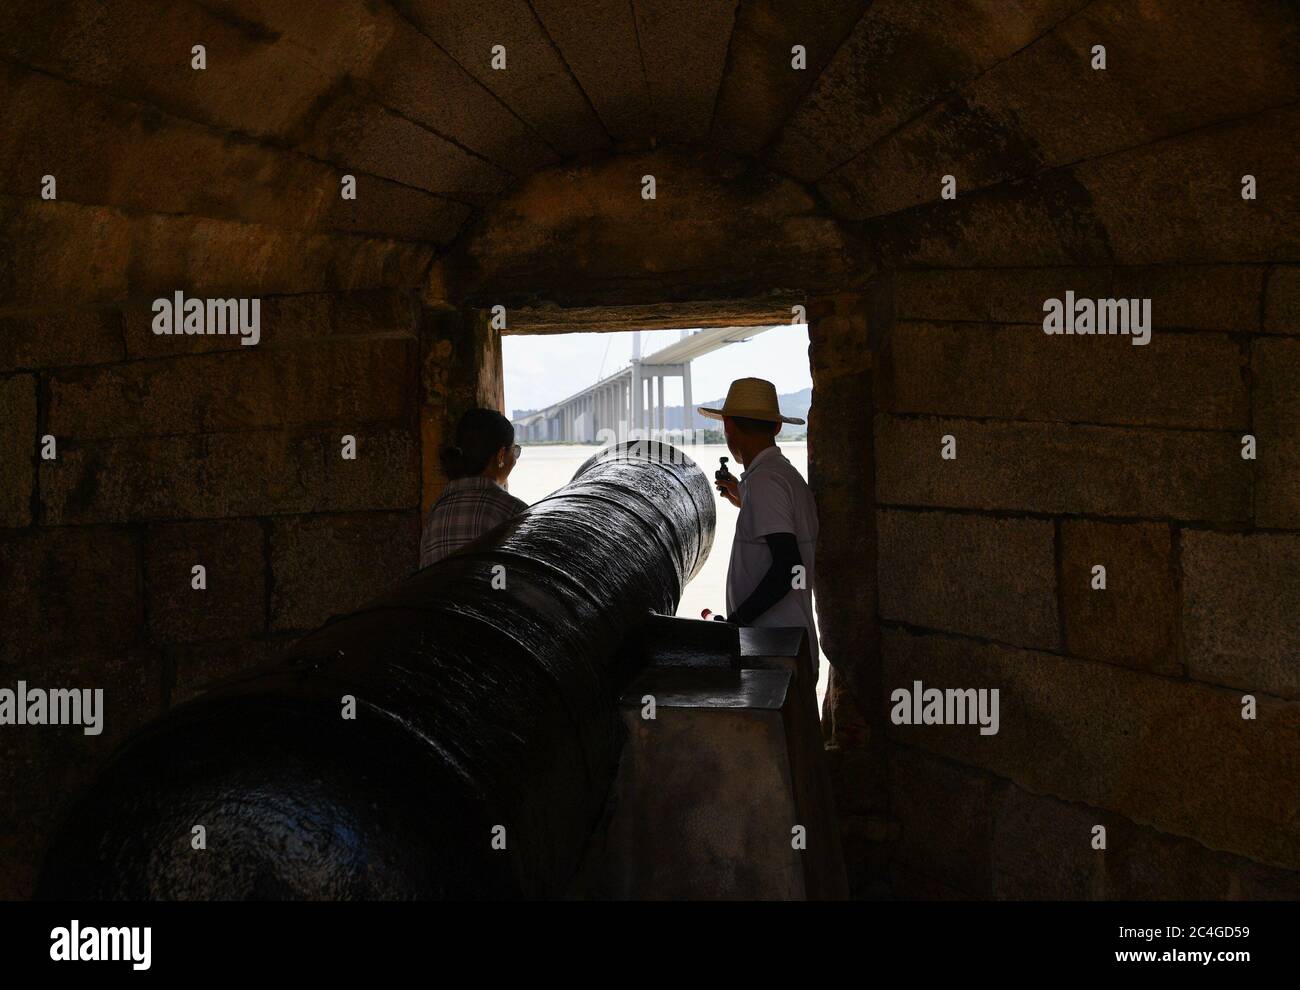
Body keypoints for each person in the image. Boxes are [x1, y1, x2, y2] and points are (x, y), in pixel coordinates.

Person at [699, 377, 819, 661]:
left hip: (775, 646)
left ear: (727, 425)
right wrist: (741, 496)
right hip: (789, 642)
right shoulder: (782, 475)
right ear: (777, 426)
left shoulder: (765, 482)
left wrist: (735, 621)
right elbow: (781, 526)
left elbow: (788, 567)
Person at [420, 408, 527, 567]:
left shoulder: (436, 512)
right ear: (501, 455)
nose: (515, 458)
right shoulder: (513, 512)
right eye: (515, 451)